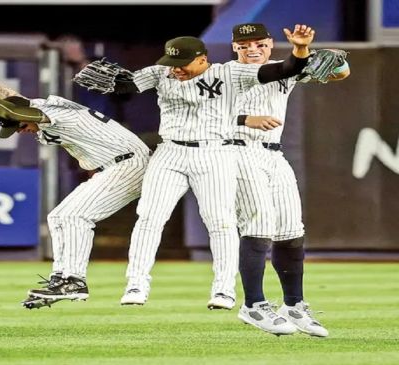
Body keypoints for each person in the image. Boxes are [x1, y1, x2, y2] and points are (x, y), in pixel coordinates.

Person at [92, 25, 315, 310]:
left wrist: (299, 49)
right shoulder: (162, 72)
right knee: (149, 217)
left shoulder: (228, 73)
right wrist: (111, 82)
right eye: (172, 63)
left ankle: (223, 290)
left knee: (221, 222)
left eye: (182, 64)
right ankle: (136, 283)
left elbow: (281, 70)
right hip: (170, 151)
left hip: (213, 152)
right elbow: (129, 85)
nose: (176, 70)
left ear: (202, 59)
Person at [0, 65, 151, 309]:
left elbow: (6, 107)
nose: (21, 131)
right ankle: (62, 278)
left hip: (130, 163)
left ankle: (74, 282)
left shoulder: (52, 115)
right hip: (118, 164)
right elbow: (4, 94)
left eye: (18, 126)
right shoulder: (38, 106)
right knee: (58, 217)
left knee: (76, 216)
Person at [229, 23, 350, 336]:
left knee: (291, 231)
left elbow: (340, 73)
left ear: (270, 44)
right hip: (236, 152)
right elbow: (197, 114)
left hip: (274, 154)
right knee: (258, 224)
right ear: (234, 48)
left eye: (258, 43)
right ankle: (253, 305)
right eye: (244, 44)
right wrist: (245, 119)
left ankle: (293, 305)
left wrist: (309, 52)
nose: (251, 48)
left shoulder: (283, 68)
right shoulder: (220, 74)